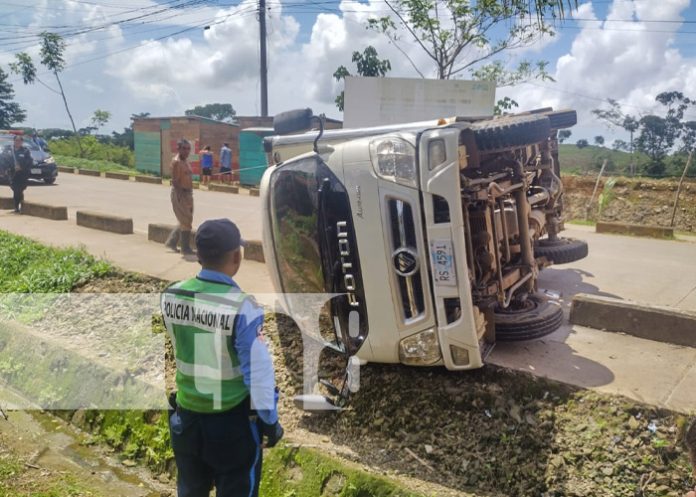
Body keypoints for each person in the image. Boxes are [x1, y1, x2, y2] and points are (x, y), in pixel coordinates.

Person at [161, 218, 283, 497]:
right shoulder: (242, 307)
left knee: (191, 490)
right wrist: (270, 422)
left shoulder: (172, 295)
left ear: (199, 255)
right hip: (230, 427)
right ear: (237, 256)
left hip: (187, 420)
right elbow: (259, 374)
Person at [165, 139, 195, 255]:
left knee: (184, 219)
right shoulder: (176, 162)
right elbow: (175, 181)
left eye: (188, 149)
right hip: (180, 193)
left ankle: (172, 242)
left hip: (188, 193)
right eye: (184, 148)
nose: (187, 151)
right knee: (186, 219)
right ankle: (185, 248)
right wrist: (181, 197)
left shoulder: (186, 161)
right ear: (178, 149)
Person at [9, 135, 33, 213]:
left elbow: (29, 162)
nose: (17, 142)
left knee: (19, 190)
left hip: (22, 174)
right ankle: (17, 206)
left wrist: (21, 167)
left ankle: (18, 206)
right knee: (15, 190)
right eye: (16, 141)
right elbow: (4, 160)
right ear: (14, 141)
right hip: (12, 174)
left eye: (19, 141)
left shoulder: (25, 151)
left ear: (22, 142)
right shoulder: (9, 150)